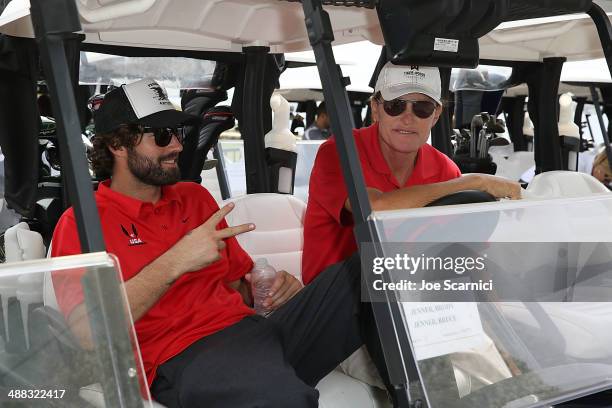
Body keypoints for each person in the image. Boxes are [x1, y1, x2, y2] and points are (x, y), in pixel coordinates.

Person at [50, 79, 384, 408]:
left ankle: (424, 380)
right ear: (118, 145)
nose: (177, 147)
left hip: (255, 333)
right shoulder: (82, 223)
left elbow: (241, 288)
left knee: (378, 264)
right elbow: (87, 334)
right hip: (183, 356)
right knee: (281, 397)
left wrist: (267, 289)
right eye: (162, 136)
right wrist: (175, 261)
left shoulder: (193, 197)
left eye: (177, 134)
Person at [302, 62, 522, 285]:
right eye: (395, 105)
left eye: (422, 108)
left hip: (408, 296)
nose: (408, 118)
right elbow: (374, 208)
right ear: (376, 108)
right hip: (335, 300)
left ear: (436, 114)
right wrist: (474, 182)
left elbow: (464, 256)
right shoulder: (339, 151)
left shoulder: (444, 169)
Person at [520, 147, 612, 186]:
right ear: (600, 168)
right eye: (607, 180)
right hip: (526, 187)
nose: (607, 184)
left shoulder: (588, 164)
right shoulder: (574, 165)